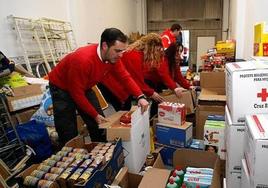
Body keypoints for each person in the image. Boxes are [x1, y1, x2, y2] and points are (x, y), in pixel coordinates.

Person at [48, 28, 149, 147]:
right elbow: (77, 94)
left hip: (84, 86)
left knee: (100, 123)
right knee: (68, 129)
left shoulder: (113, 58)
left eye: (123, 51)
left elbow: (125, 77)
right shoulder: (83, 60)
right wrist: (94, 114)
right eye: (117, 51)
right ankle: (69, 152)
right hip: (62, 87)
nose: (121, 55)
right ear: (105, 45)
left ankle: (101, 151)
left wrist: (140, 96)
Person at [99, 33, 184, 117]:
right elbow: (136, 80)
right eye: (156, 50)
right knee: (123, 111)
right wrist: (150, 93)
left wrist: (146, 93)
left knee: (125, 109)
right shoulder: (135, 55)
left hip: (119, 84)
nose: (157, 53)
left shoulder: (139, 55)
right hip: (112, 85)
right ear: (150, 47)